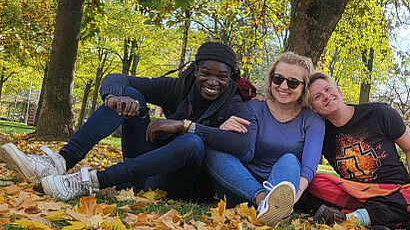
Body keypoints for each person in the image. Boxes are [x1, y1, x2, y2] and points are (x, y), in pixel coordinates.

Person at [0, 42, 252, 201]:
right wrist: (113, 97)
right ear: (195, 70)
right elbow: (119, 77)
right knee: (129, 95)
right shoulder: (178, 88)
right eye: (206, 73)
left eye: (222, 76)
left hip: (176, 182)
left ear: (231, 78)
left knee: (193, 142)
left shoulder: (236, 104)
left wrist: (183, 125)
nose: (212, 82)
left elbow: (242, 146)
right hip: (142, 165)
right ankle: (60, 161)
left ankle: (91, 181)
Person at [302, 72, 410, 230]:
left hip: (394, 189)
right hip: (357, 194)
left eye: (328, 89)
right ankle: (401, 217)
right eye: (317, 97)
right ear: (314, 109)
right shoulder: (319, 133)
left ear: (339, 91)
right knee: (312, 182)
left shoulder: (379, 113)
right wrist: (268, 104)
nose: (326, 96)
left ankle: (350, 218)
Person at [204, 52, 324, 226]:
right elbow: (246, 154)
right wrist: (223, 132)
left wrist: (297, 192)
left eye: (292, 83)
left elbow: (309, 166)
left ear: (304, 88)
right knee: (213, 151)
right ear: (271, 79)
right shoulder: (254, 107)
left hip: (285, 184)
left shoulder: (312, 120)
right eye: (278, 79)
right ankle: (264, 202)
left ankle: (278, 204)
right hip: (243, 185)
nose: (283, 86)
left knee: (290, 159)